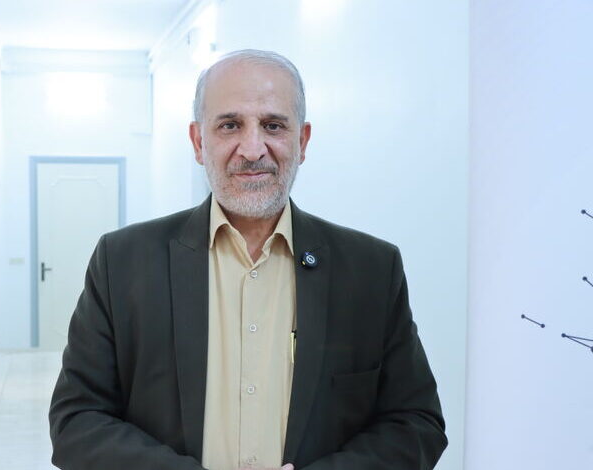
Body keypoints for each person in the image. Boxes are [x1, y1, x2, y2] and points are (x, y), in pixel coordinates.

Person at [49, 49, 447, 470]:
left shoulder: (371, 271)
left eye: (273, 125)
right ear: (199, 142)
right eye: (230, 125)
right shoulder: (123, 263)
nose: (253, 149)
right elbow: (77, 421)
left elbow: (416, 423)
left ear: (302, 141)